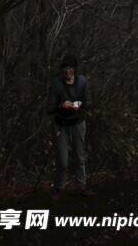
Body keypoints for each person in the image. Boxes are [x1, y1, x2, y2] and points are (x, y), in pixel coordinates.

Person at [46, 54, 94, 200]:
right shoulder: (56, 84)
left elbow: (89, 103)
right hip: (61, 124)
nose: (67, 71)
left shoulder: (82, 82)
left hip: (78, 122)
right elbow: (49, 108)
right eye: (65, 68)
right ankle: (60, 187)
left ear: (74, 69)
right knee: (62, 159)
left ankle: (82, 186)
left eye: (70, 68)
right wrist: (61, 105)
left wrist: (80, 104)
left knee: (79, 156)